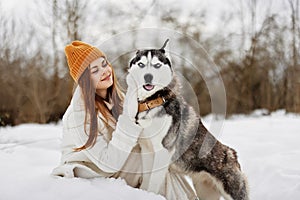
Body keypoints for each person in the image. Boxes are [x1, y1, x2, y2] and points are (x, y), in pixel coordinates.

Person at [52, 41, 198, 200]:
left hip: (116, 164)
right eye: (95, 70)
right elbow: (107, 163)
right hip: (92, 171)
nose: (105, 71)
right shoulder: (78, 114)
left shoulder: (117, 98)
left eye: (104, 64)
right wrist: (129, 119)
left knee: (161, 158)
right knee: (154, 165)